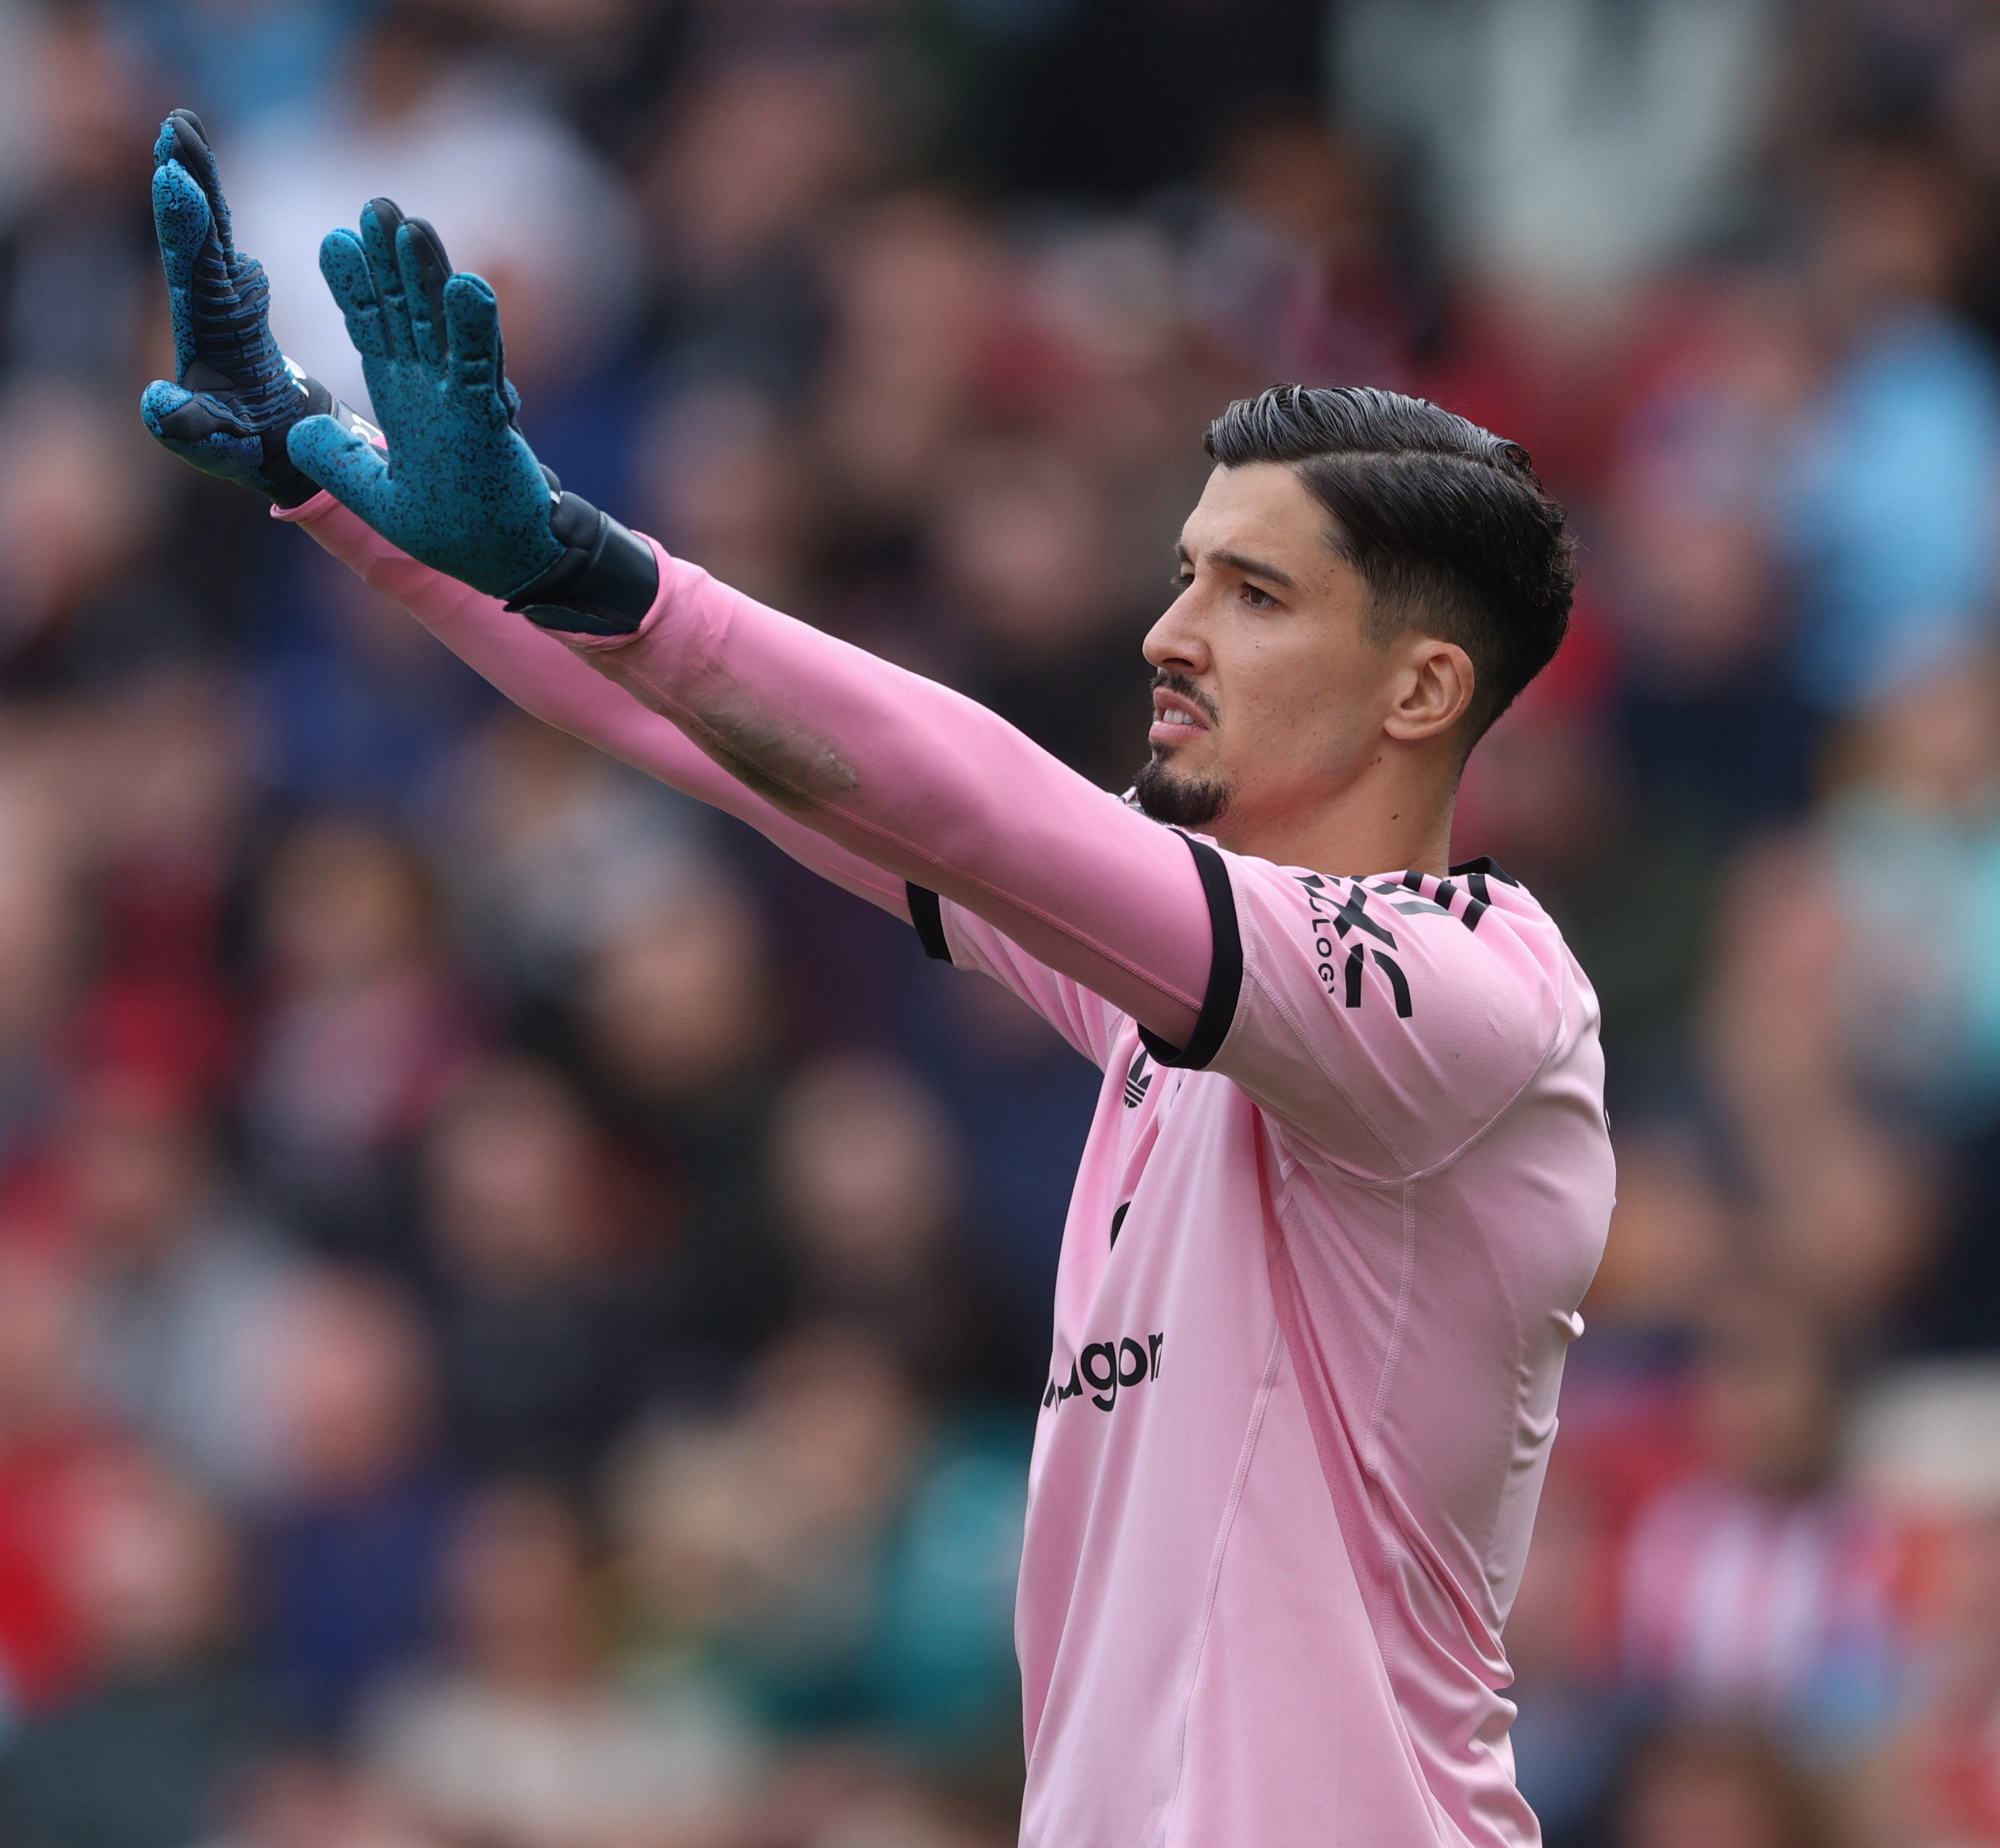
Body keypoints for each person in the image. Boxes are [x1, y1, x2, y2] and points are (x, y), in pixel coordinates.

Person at [140, 109, 1614, 1846]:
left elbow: (982, 801)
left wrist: (589, 562)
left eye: (1252, 592)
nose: (1169, 631)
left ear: (1423, 691)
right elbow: (740, 751)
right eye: (1179, 574)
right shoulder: (1179, 995)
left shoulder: (1475, 1004)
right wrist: (341, 492)